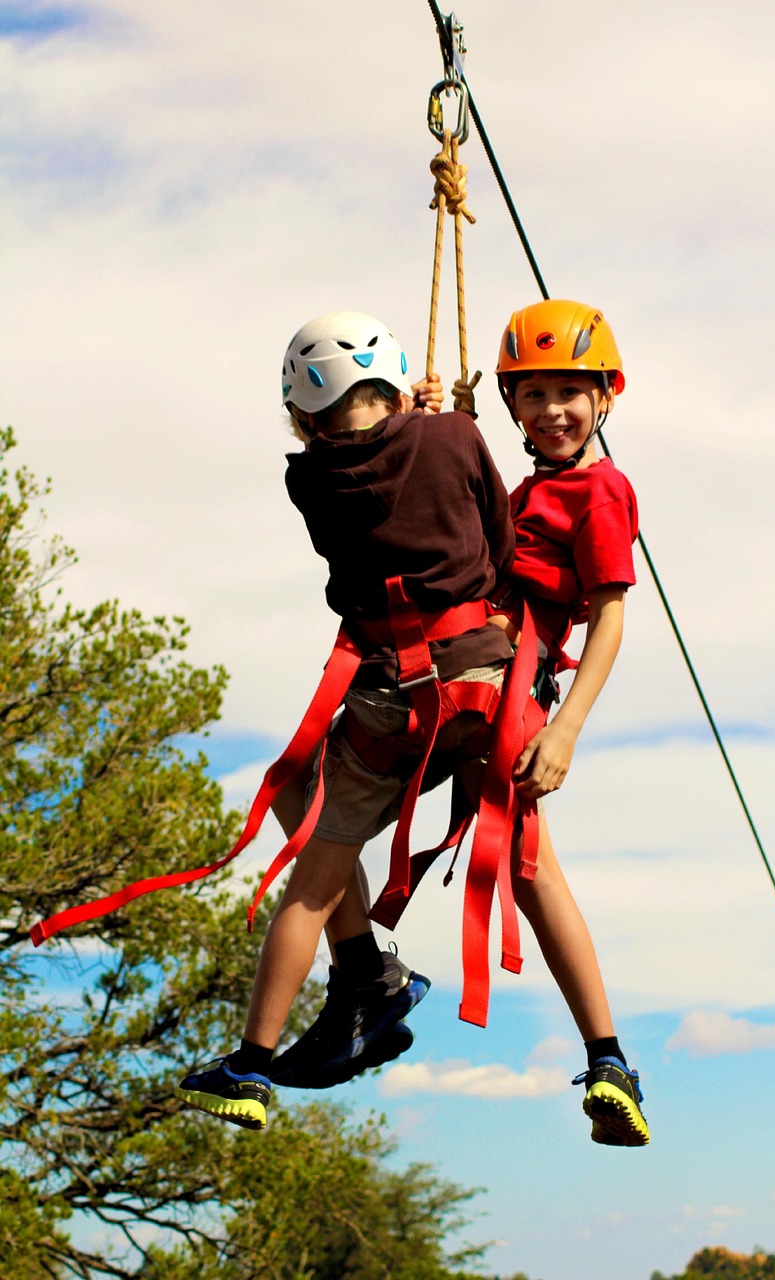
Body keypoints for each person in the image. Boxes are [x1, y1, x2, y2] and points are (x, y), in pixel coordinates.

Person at [282, 299, 650, 1147]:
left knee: (527, 868)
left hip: (504, 697)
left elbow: (611, 618)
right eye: (533, 395)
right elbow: (461, 515)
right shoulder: (534, 487)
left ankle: (604, 1060)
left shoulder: (599, 490)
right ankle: (367, 985)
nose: (551, 410)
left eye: (569, 392)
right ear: (510, 404)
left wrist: (563, 733)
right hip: (462, 685)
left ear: (606, 395)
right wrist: (424, 423)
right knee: (311, 799)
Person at [175, 310, 519, 1130]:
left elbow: (380, 459)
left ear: (302, 414)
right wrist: (440, 419)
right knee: (297, 788)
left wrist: (422, 417)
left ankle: (256, 1060)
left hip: (393, 697)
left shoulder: (309, 480)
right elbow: (497, 541)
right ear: (395, 383)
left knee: (314, 862)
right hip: (483, 682)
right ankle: (367, 972)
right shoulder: (452, 438)